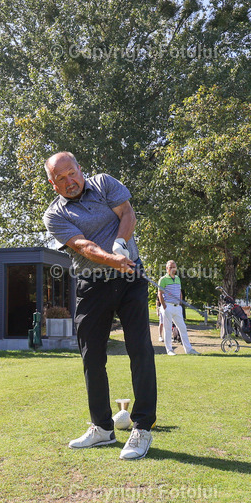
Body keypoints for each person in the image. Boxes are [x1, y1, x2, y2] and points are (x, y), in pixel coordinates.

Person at [42, 152, 156, 460]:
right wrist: (111, 258)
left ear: (81, 169)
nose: (69, 181)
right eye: (60, 178)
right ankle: (102, 429)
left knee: (140, 349)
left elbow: (128, 214)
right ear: (53, 184)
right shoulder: (54, 215)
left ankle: (142, 427)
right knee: (92, 357)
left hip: (131, 278)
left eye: (72, 173)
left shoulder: (104, 183)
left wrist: (121, 243)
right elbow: (83, 246)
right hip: (92, 285)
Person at [158, 260, 199, 356]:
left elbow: (179, 291)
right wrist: (164, 306)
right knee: (167, 329)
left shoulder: (177, 278)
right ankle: (169, 350)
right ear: (167, 268)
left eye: (174, 267)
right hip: (168, 306)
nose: (173, 269)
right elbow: (159, 293)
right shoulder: (163, 279)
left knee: (183, 328)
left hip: (177, 307)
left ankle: (188, 349)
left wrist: (180, 303)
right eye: (171, 267)